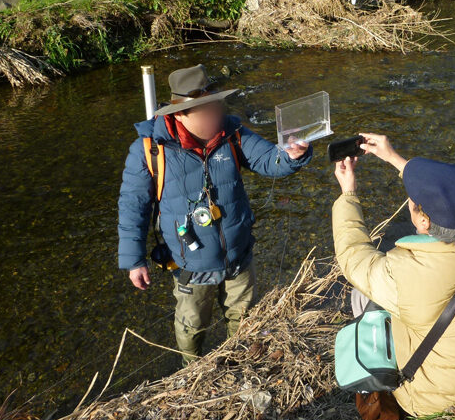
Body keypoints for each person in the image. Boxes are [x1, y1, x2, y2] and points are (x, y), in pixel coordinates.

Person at [118, 64, 312, 363]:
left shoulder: (232, 133)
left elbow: (268, 160)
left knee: (246, 324)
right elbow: (133, 206)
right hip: (191, 264)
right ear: (179, 114)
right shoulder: (149, 149)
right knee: (192, 327)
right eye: (205, 110)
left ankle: (246, 365)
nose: (215, 114)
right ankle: (191, 371)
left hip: (239, 255)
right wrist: (134, 260)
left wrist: (292, 155)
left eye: (216, 106)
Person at [331, 133, 455, 416]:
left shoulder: (405, 274)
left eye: (413, 199)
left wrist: (348, 193)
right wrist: (396, 159)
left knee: (363, 295)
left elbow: (353, 257)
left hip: (437, 395)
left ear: (423, 220)